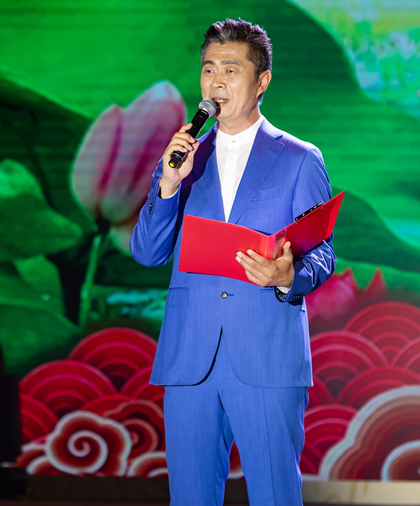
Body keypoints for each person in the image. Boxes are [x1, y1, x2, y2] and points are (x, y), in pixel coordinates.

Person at [130, 18, 335, 506]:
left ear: (262, 81)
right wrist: (167, 185)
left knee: (274, 494)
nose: (216, 81)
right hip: (190, 356)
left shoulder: (299, 158)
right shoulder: (184, 159)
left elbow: (323, 252)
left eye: (230, 69)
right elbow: (147, 252)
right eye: (208, 69)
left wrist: (289, 274)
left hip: (266, 353)